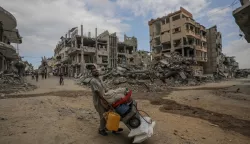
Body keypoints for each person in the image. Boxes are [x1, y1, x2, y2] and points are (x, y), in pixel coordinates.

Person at [89, 67, 123, 136]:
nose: (96, 72)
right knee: (103, 115)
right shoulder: (93, 81)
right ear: (91, 73)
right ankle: (101, 129)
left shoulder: (100, 79)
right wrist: (104, 100)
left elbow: (105, 87)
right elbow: (97, 92)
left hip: (105, 98)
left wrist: (111, 92)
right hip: (99, 100)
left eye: (96, 70)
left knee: (111, 113)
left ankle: (114, 128)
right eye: (94, 71)